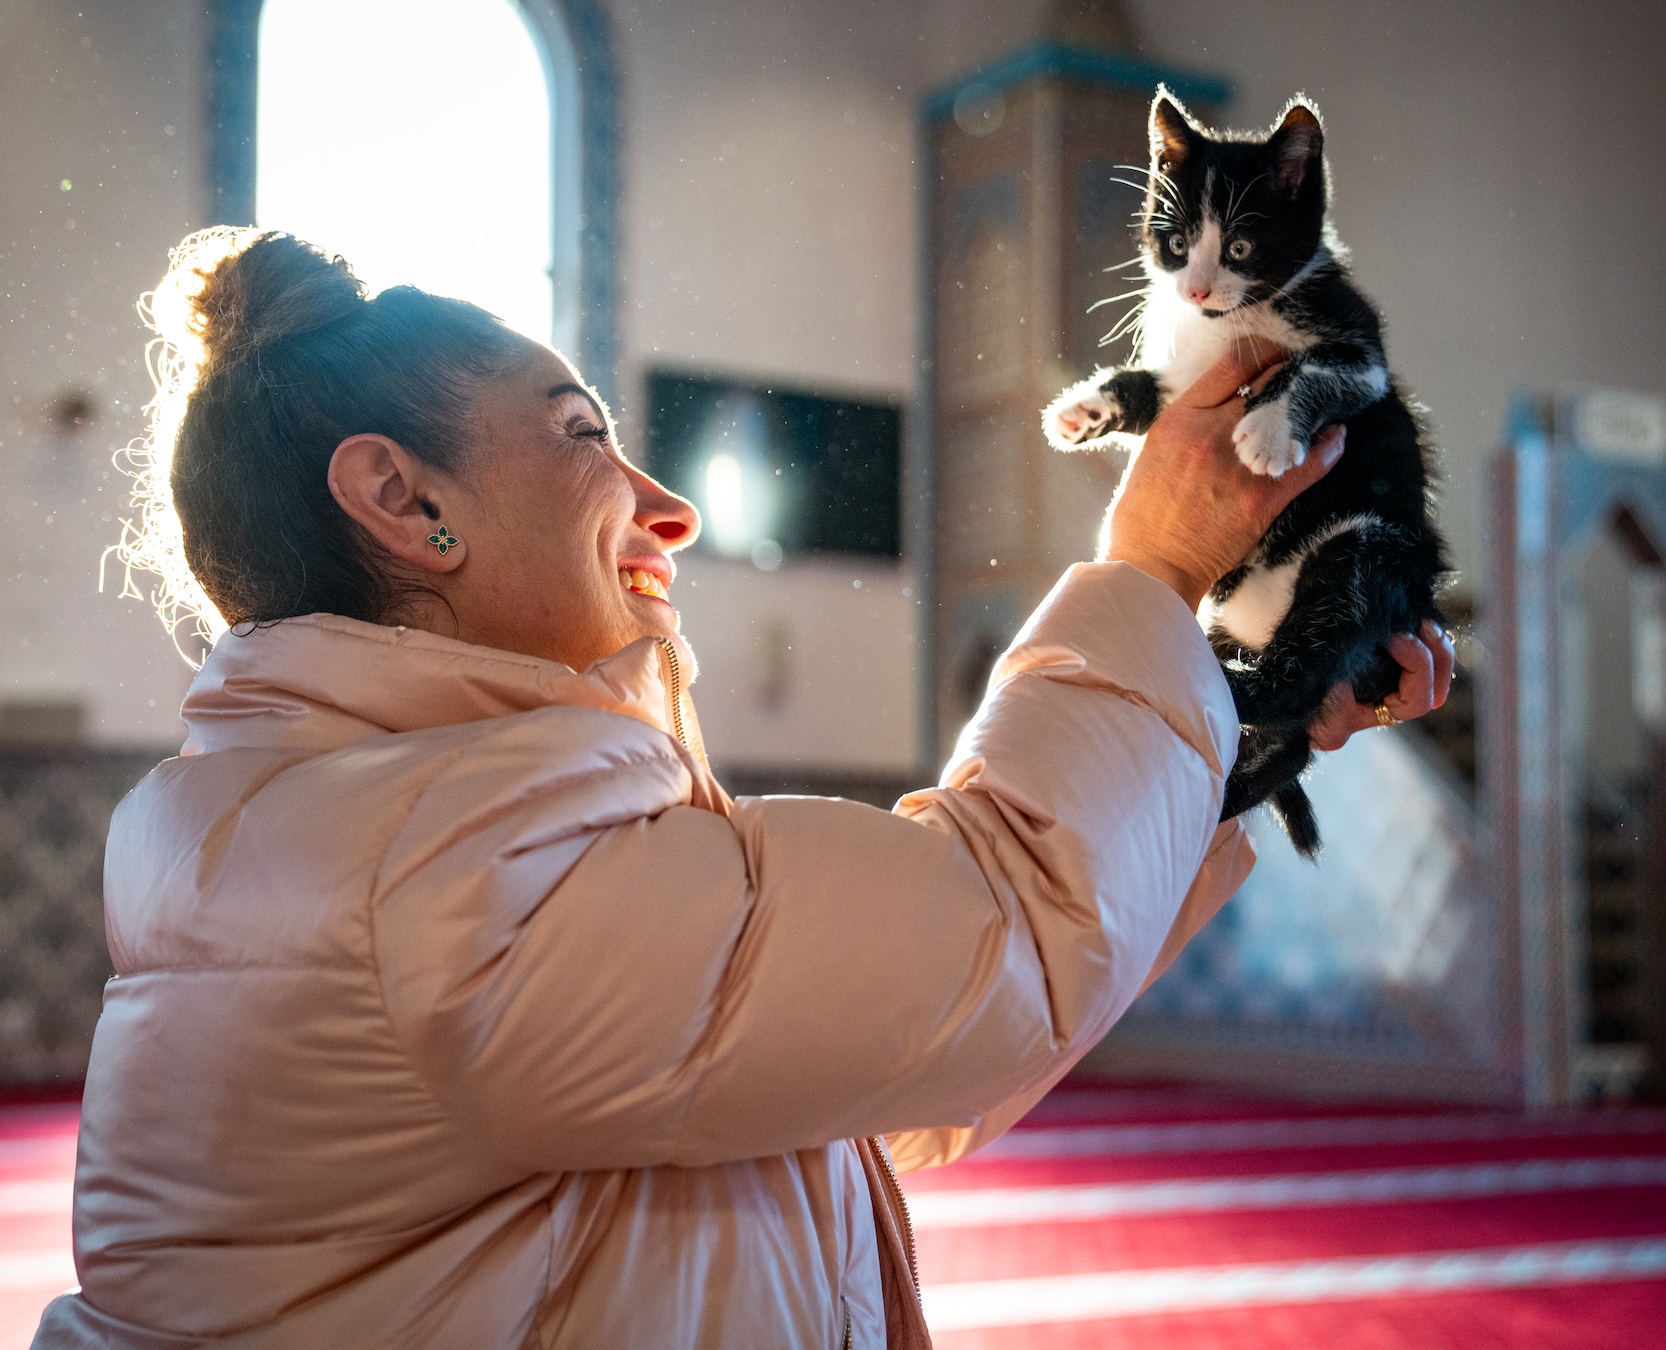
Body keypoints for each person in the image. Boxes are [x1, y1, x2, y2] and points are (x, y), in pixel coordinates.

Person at [36, 229, 1451, 1349]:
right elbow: (990, 949)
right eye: (581, 433)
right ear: (407, 504)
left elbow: (888, 1058)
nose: (671, 506)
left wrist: (1247, 727)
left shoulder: (366, 828)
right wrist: (1152, 571)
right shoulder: (440, 866)